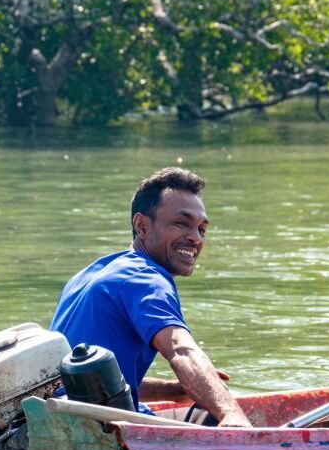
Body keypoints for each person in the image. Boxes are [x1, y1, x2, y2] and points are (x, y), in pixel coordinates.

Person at [50, 167, 252, 427]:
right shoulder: (146, 279)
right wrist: (231, 415)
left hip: (57, 418)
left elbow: (85, 383)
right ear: (142, 225)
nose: (195, 238)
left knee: (205, 401)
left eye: (202, 229)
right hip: (95, 432)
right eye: (182, 223)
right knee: (219, 413)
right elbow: (181, 349)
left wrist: (173, 390)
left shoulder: (88, 275)